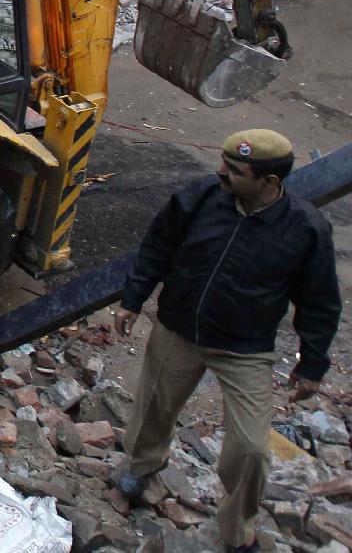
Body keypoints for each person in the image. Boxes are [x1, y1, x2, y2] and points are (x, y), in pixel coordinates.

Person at [115, 129, 341, 553]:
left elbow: (320, 301)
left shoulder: (306, 229)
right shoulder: (201, 198)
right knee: (153, 409)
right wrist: (133, 299)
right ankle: (144, 464)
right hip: (179, 329)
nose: (220, 172)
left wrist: (312, 364)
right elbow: (157, 246)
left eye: (233, 170)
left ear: (269, 183)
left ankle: (237, 530)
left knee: (252, 450)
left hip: (245, 348)